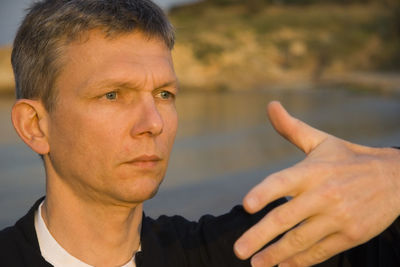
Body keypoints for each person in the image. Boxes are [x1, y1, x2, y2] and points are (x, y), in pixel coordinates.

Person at [0, 0, 399, 266]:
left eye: (164, 93)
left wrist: (388, 174)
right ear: (35, 125)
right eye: (112, 94)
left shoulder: (235, 251)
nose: (153, 122)